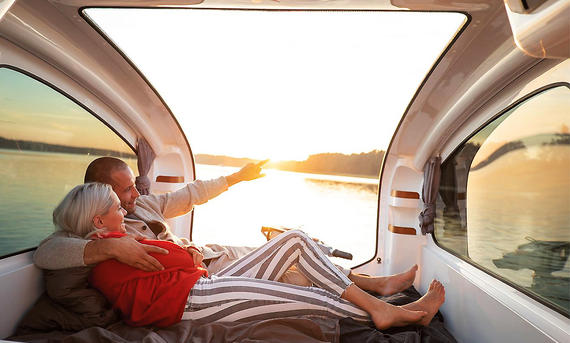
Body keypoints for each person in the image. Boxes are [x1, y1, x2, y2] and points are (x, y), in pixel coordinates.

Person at [52, 183, 446, 329]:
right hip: (191, 302)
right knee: (312, 300)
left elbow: (182, 259)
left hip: (203, 284)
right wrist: (184, 252)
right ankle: (382, 310)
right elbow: (182, 261)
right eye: (116, 206)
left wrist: (184, 253)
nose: (126, 207)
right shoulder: (110, 253)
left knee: (293, 239)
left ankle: (376, 296)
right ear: (98, 221)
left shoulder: (121, 241)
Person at [34, 156, 422, 295]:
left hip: (207, 253)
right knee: (289, 269)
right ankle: (376, 286)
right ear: (102, 198)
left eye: (134, 186)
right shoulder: (92, 227)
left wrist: (238, 177)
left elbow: (193, 193)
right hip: (201, 276)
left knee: (295, 248)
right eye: (124, 193)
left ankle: (369, 283)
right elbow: (47, 251)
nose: (133, 196)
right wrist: (110, 247)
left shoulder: (146, 205)